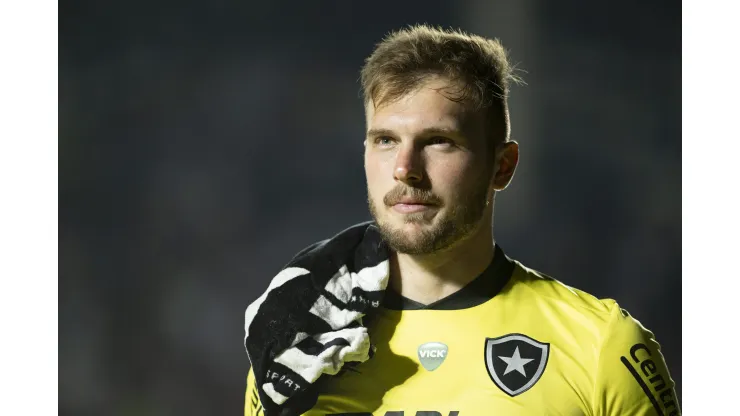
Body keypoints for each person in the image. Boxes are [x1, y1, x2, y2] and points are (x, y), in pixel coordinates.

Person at [244, 24, 679, 416]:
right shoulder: (292, 344)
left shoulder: (603, 348)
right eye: (385, 140)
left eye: (439, 141)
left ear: (502, 166)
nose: (405, 167)